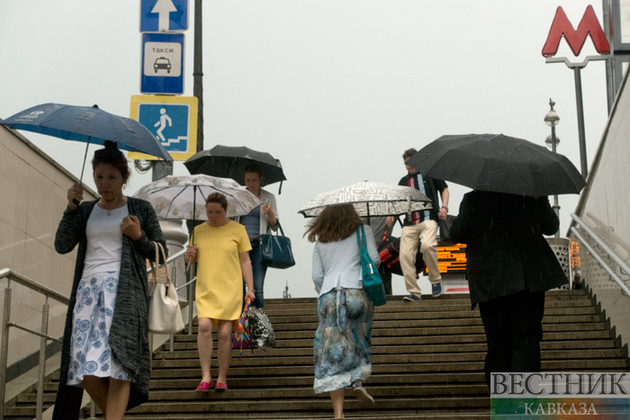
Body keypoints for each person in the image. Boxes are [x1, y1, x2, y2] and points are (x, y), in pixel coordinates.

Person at [53, 141, 167, 420]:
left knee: (119, 367)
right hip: (87, 296)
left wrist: (138, 236)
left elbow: (160, 253)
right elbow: (62, 244)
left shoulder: (140, 209)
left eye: (112, 177)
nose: (105, 184)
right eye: (99, 177)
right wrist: (69, 209)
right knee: (85, 369)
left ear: (125, 177)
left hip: (124, 296)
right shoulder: (84, 210)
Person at [449, 191, 568, 387]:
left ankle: (502, 402)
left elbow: (456, 234)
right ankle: (524, 398)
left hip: (490, 280)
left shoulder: (475, 198)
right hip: (529, 277)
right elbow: (551, 226)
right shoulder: (532, 194)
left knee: (498, 341)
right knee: (527, 339)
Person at [306, 204, 379, 419]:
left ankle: (339, 414)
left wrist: (327, 292)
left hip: (329, 296)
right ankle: (357, 381)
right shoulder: (363, 231)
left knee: (333, 353)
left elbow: (316, 276)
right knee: (359, 339)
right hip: (357, 292)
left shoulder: (322, 240)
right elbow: (374, 260)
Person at [185, 193, 255, 393]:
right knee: (204, 326)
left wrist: (250, 288)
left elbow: (245, 261)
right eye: (209, 212)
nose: (213, 216)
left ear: (226, 211)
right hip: (206, 288)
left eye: (218, 212)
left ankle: (222, 377)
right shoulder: (198, 231)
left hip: (230, 288)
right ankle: (206, 375)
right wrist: (188, 255)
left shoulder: (238, 230)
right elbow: (190, 262)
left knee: (225, 333)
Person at [387, 148, 449, 301]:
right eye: (406, 164)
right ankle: (414, 291)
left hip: (429, 219)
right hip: (410, 222)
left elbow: (445, 189)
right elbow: (398, 201)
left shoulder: (431, 174)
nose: (408, 166)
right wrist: (392, 214)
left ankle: (435, 280)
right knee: (405, 255)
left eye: (411, 163)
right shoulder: (403, 182)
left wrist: (444, 207)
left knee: (427, 246)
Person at [233, 163, 279, 308]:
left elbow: (274, 226)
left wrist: (269, 212)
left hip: (260, 244)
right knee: (239, 285)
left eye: (254, 180)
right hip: (240, 245)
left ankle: (258, 324)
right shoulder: (238, 197)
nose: (251, 183)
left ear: (260, 180)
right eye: (247, 180)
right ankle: (240, 323)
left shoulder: (268, 197)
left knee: (257, 286)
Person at [363, 216, 392, 295]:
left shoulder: (363, 211)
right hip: (383, 252)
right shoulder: (388, 212)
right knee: (384, 283)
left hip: (368, 253)